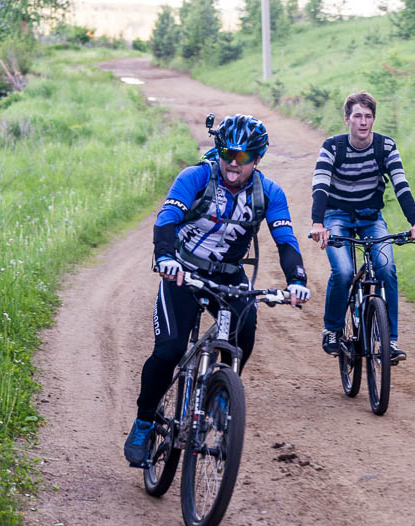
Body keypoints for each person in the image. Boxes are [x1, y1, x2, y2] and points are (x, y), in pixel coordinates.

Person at [124, 114, 310, 467]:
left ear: (258, 158)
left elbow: (285, 240)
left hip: (227, 274)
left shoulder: (268, 193)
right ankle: (145, 420)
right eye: (226, 153)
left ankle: (223, 392)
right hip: (183, 271)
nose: (232, 163)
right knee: (169, 351)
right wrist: (166, 258)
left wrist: (297, 281)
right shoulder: (195, 177)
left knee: (246, 327)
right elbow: (166, 219)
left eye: (242, 157)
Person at [309, 91, 415, 363]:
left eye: (368, 116)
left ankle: (390, 341)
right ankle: (333, 330)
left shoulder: (384, 146)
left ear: (373, 119)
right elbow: (321, 186)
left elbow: (400, 184)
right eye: (357, 116)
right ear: (347, 119)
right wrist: (317, 223)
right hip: (336, 215)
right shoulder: (332, 147)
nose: (363, 122)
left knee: (386, 268)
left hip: (371, 217)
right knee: (344, 270)